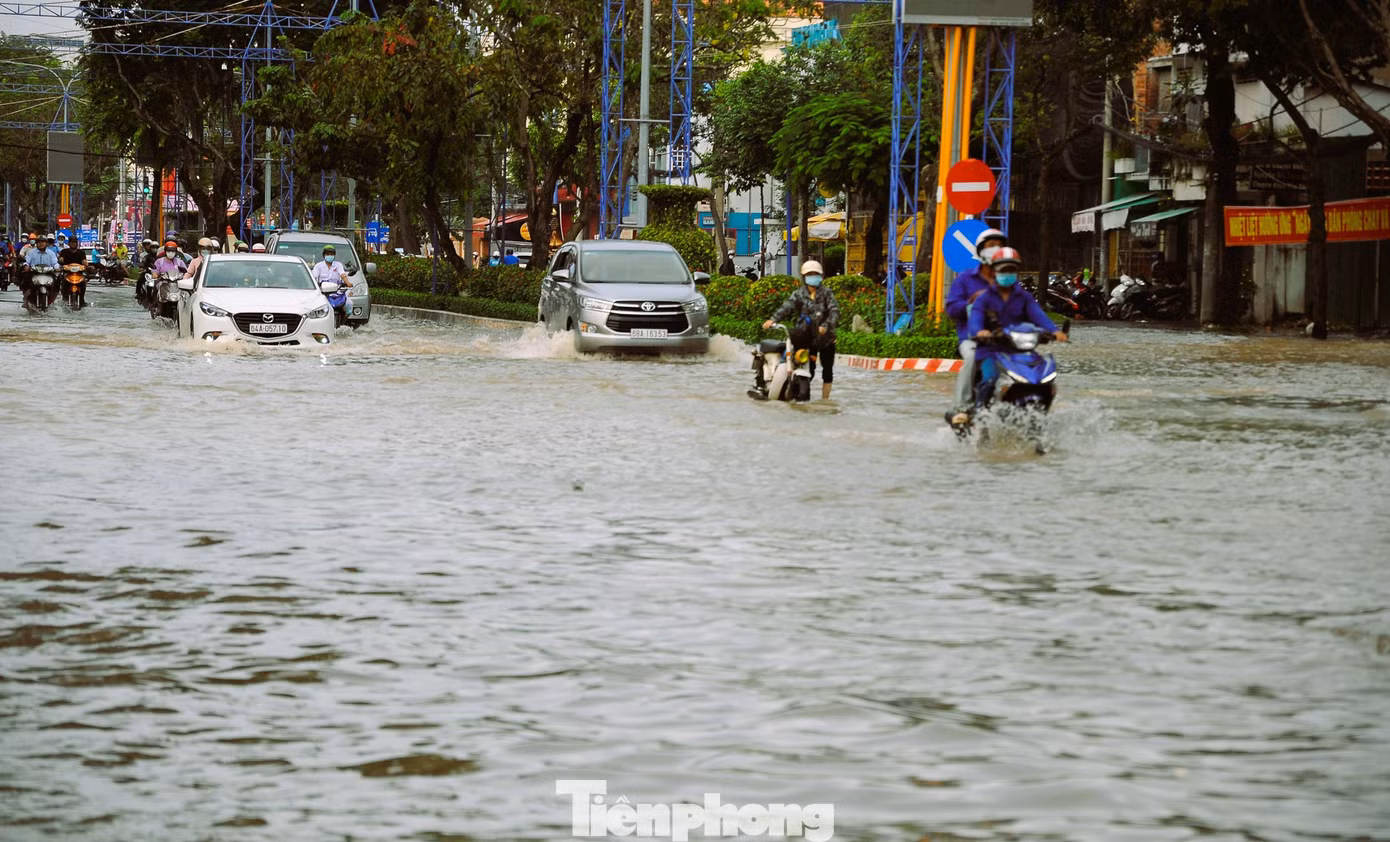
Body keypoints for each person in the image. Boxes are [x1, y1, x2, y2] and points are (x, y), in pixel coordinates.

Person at [965, 248, 1068, 400]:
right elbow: (975, 319)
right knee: (990, 377)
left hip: (1020, 350)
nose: (1007, 273)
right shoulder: (984, 298)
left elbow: (1038, 315)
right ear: (994, 272)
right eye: (1003, 269)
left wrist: (1054, 331)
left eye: (1011, 269)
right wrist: (980, 331)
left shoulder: (1024, 297)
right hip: (991, 349)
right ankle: (980, 413)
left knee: (1044, 377)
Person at [945, 228, 1009, 427]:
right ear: (981, 251)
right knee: (972, 356)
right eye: (991, 246)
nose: (995, 250)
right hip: (971, 339)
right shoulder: (965, 279)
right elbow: (951, 308)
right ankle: (962, 408)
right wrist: (972, 303)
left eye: (999, 246)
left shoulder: (1007, 279)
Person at [762, 259, 840, 400]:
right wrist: (773, 319)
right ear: (804, 277)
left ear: (821, 276)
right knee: (805, 367)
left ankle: (825, 400)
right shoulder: (799, 294)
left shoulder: (827, 293)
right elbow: (787, 307)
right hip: (805, 337)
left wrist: (826, 326)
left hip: (825, 338)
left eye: (815, 273)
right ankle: (793, 390)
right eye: (809, 274)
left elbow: (834, 311)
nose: (812, 276)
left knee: (827, 372)